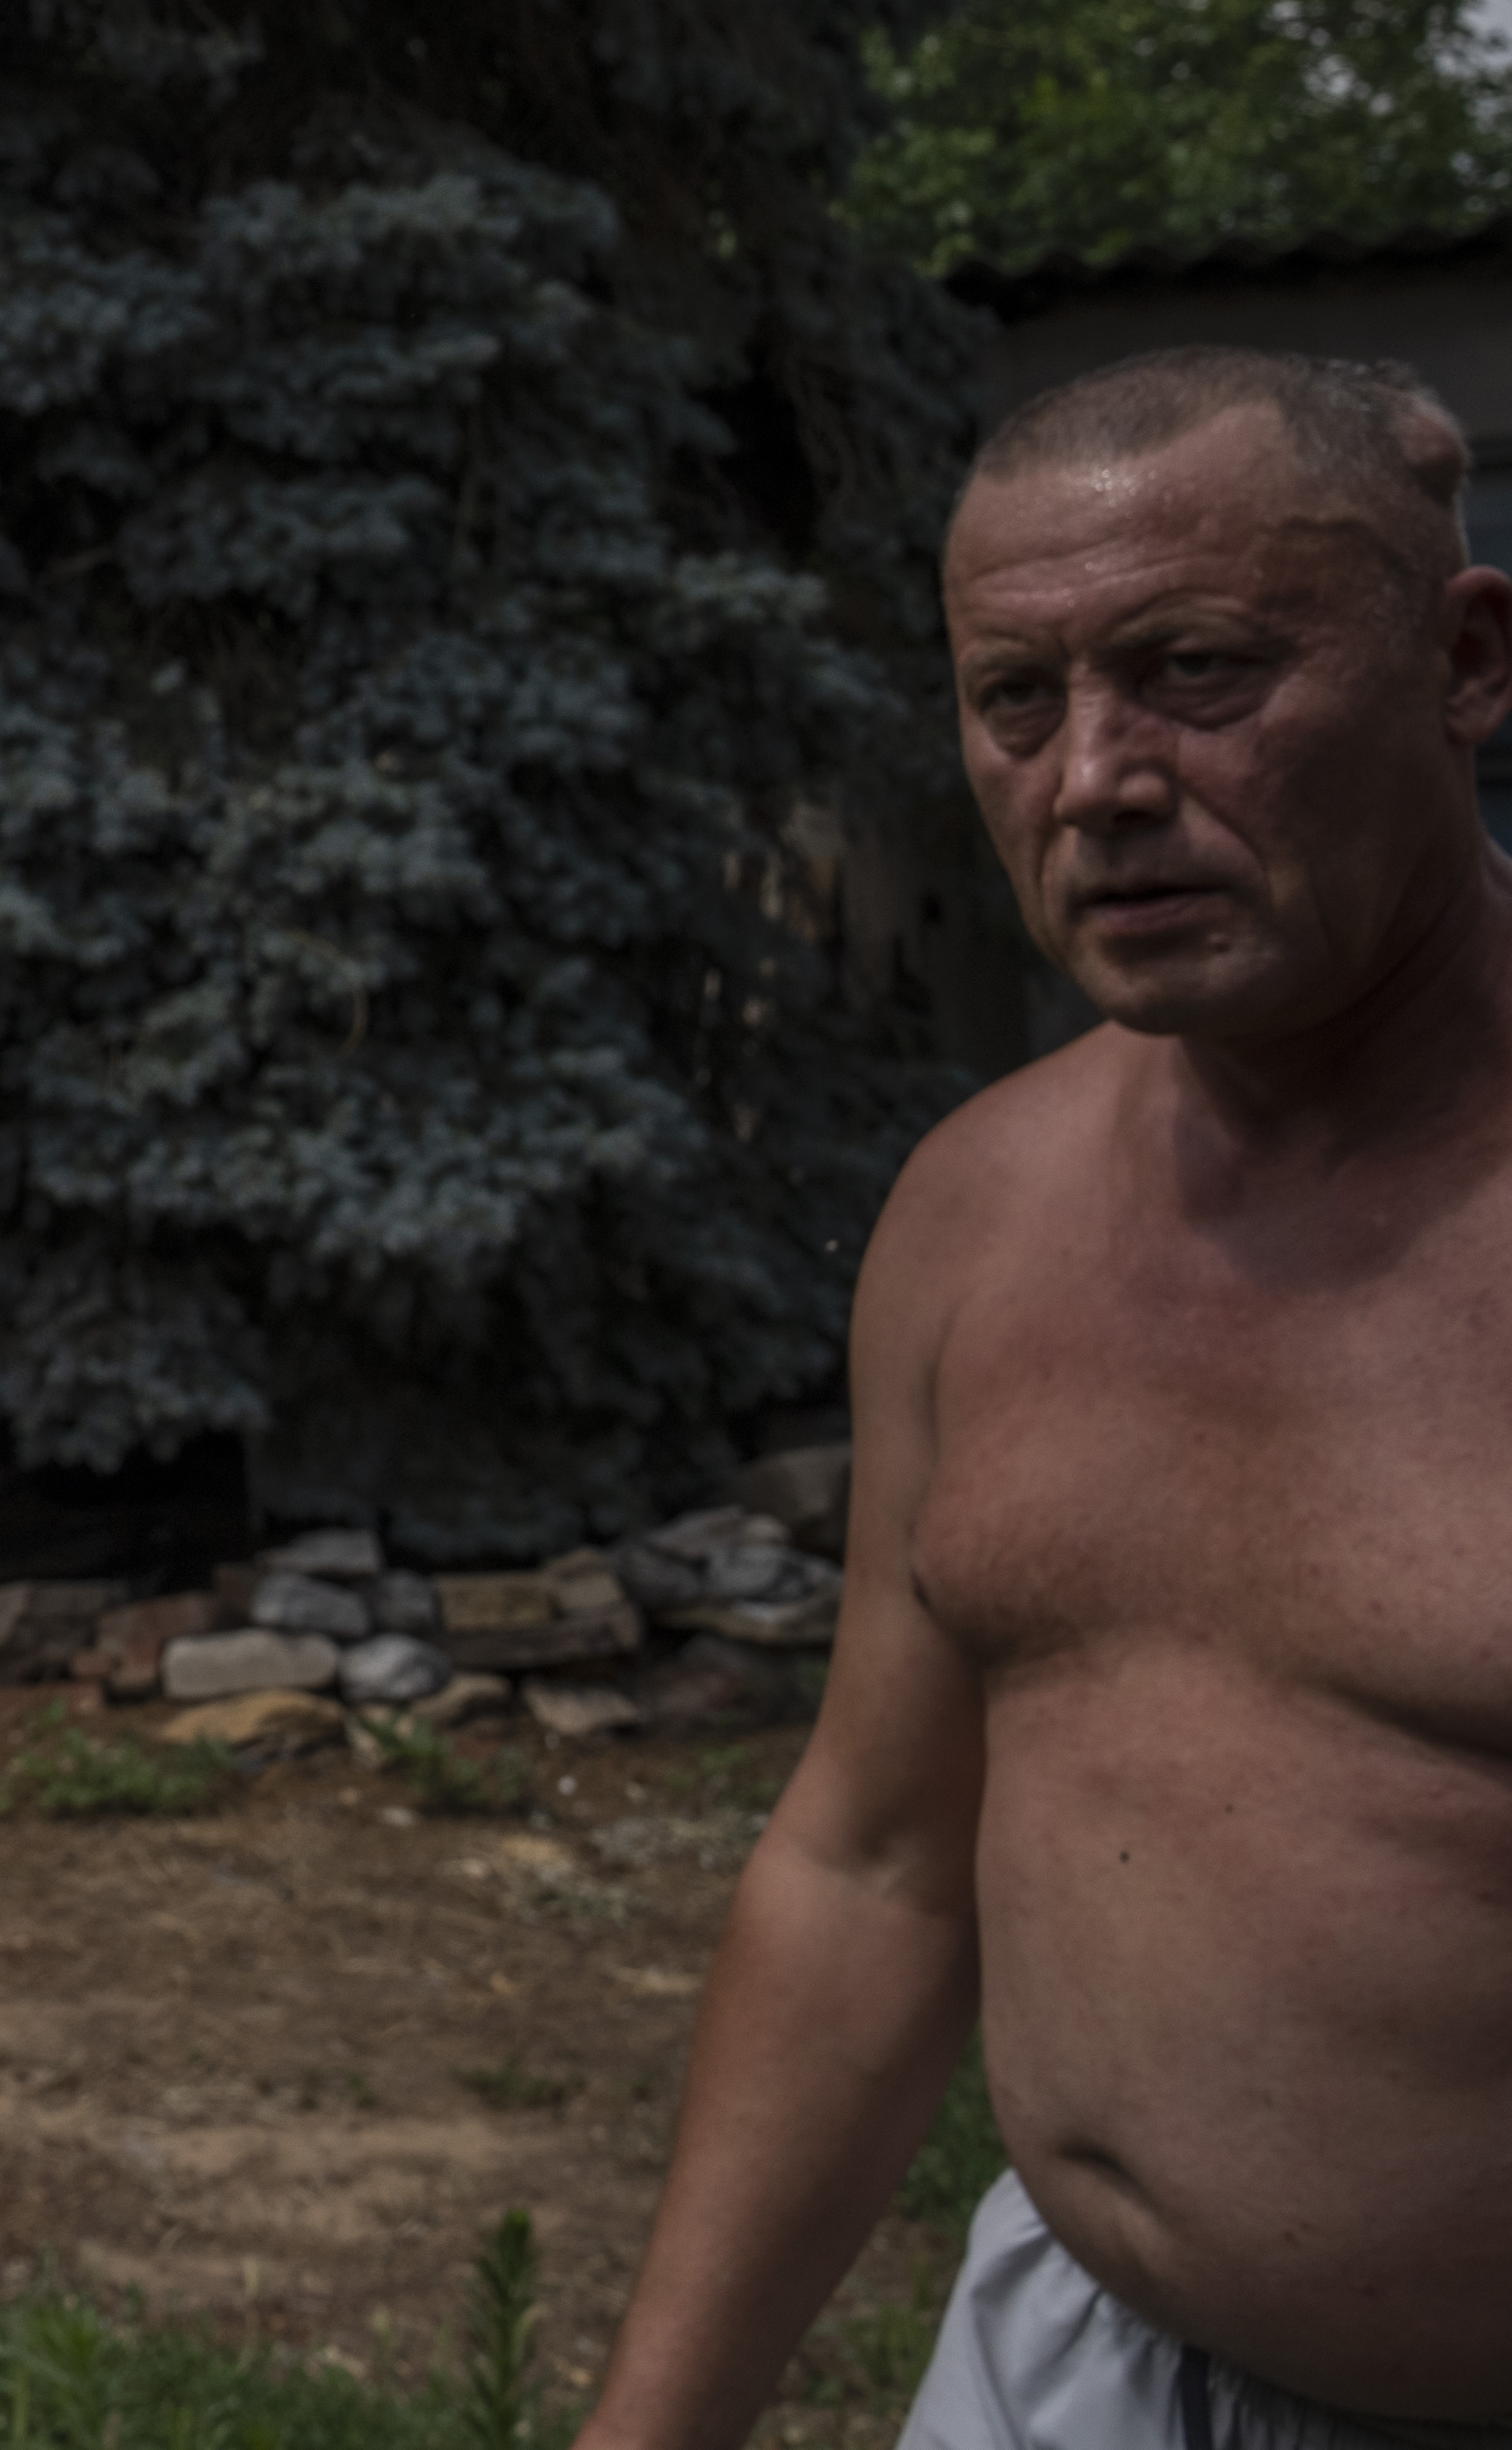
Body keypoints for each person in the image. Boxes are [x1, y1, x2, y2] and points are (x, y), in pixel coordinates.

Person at [582, 348, 1512, 2450]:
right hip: (1060, 2370)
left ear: (1466, 662)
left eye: (1197, 672)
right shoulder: (978, 1214)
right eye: (1019, 701)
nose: (1093, 778)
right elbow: (873, 1871)